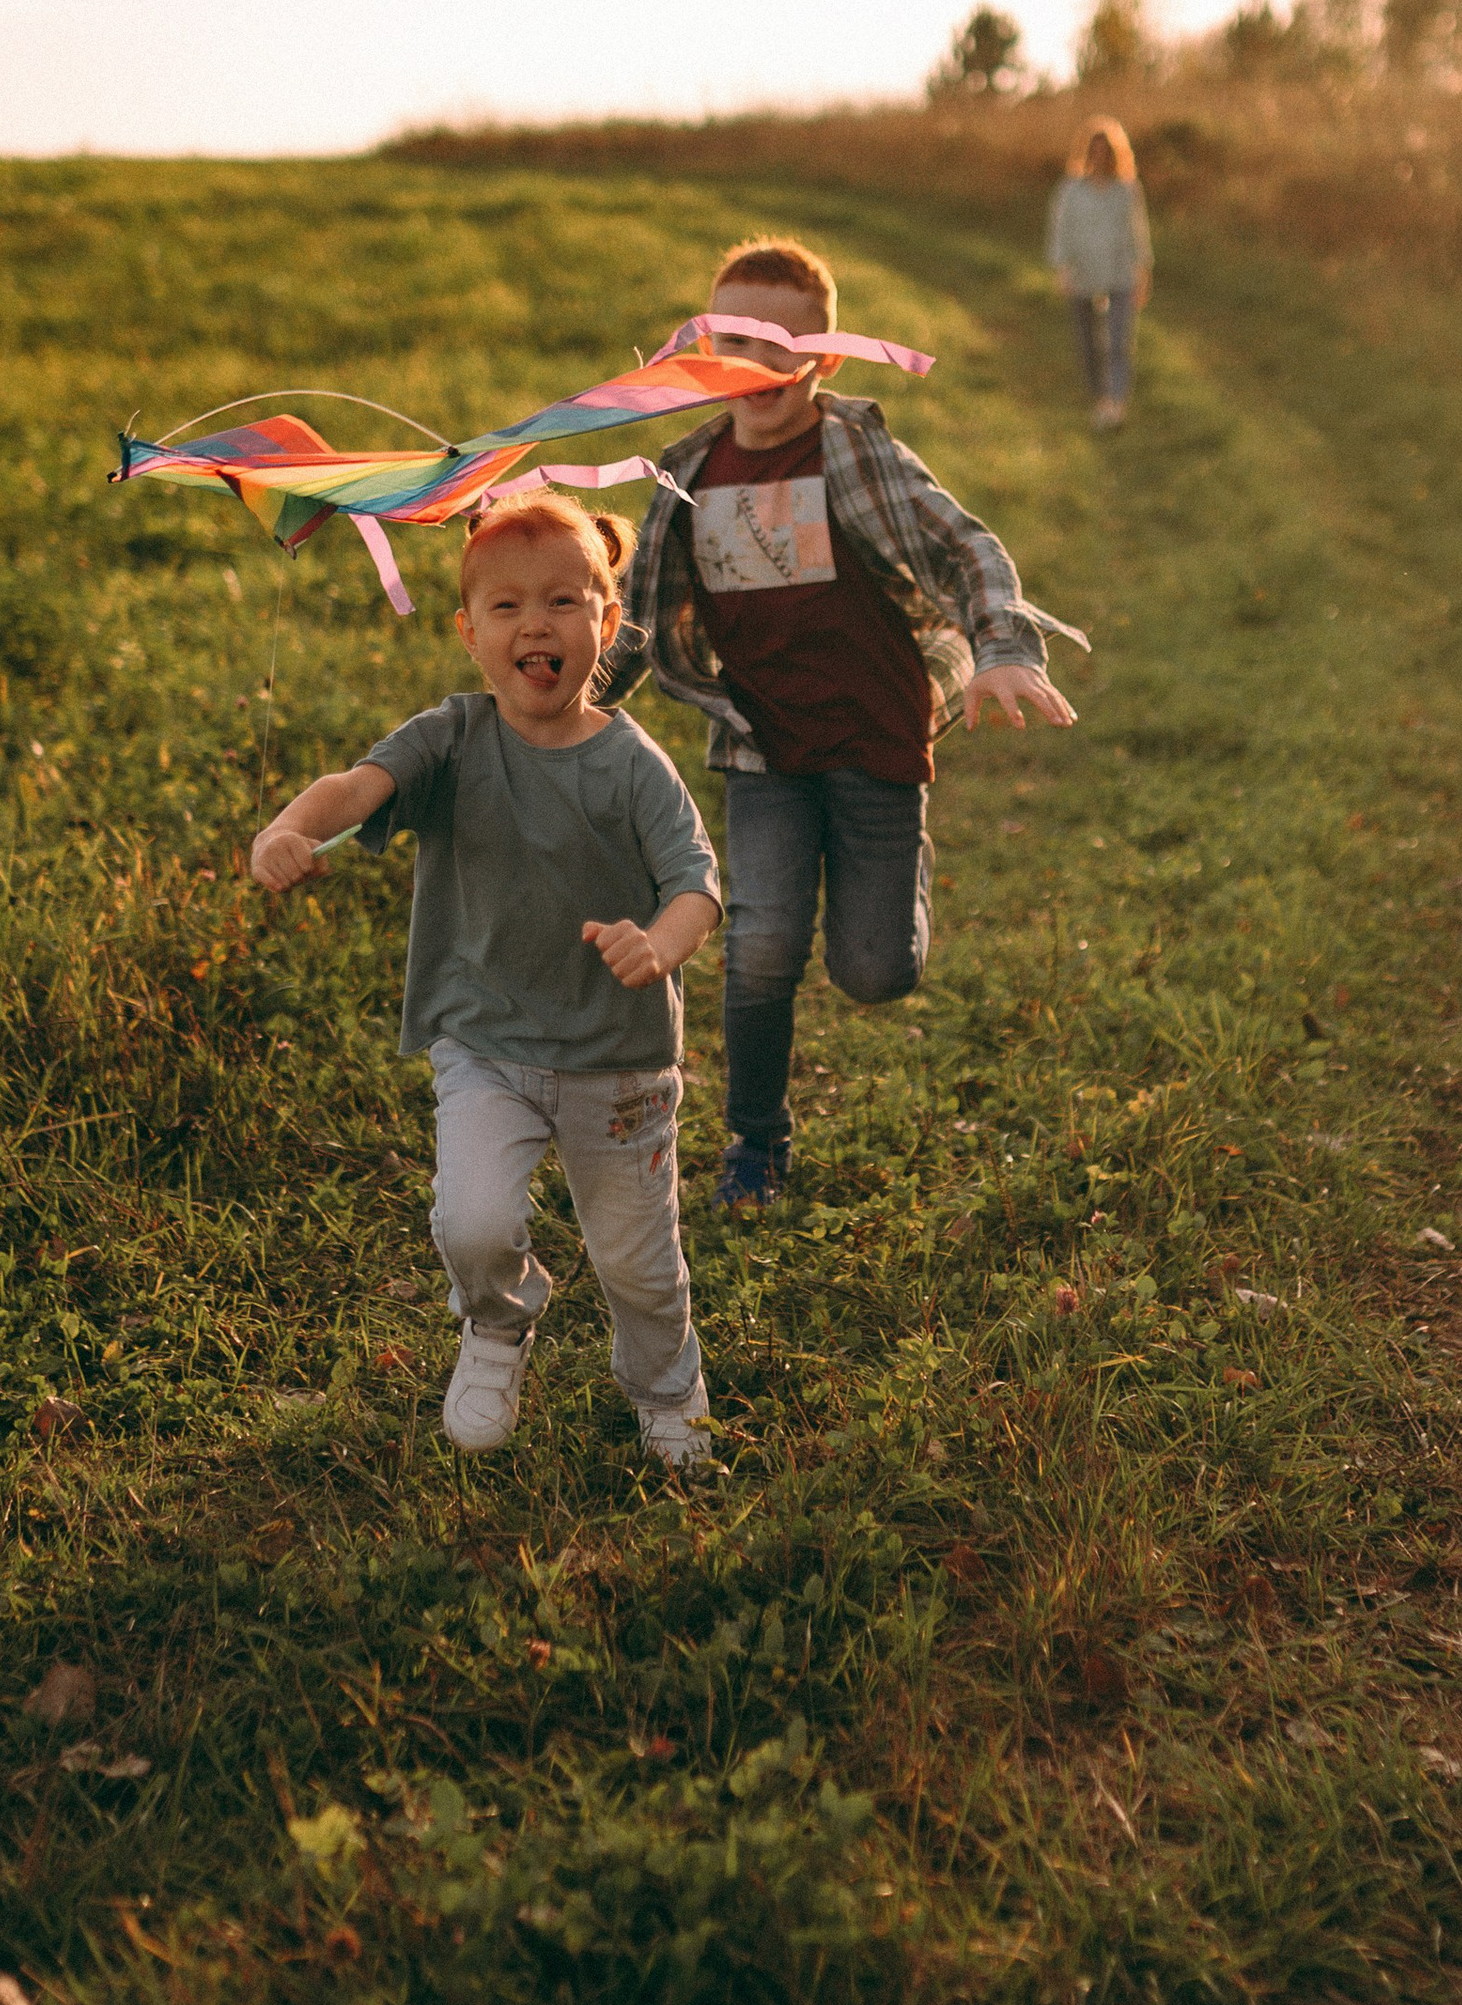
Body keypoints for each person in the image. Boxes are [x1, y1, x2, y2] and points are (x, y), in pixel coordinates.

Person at [605, 236, 1081, 1212]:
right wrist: (554, 690)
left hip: (876, 742)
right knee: (762, 943)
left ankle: (896, 884)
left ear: (821, 356)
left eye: (784, 342)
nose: (760, 363)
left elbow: (966, 548)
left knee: (871, 971)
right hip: (763, 749)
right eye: (736, 338)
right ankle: (753, 1146)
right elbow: (637, 618)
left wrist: (1002, 647)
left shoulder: (853, 448)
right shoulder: (687, 471)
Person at [248, 491, 723, 1465]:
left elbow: (696, 885)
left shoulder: (633, 765)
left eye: (563, 599)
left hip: (618, 1059)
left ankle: (668, 1388)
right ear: (470, 633)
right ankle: (498, 1324)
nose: (534, 623)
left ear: (608, 620)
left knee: (638, 1264)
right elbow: (356, 787)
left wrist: (661, 943)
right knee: (470, 1220)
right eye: (505, 607)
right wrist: (290, 824)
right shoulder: (451, 738)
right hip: (486, 1041)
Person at [1044, 118, 1153, 429]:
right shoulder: (1070, 191)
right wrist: (1062, 268)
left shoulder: (1128, 191)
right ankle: (1099, 397)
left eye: (1107, 152)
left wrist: (1143, 272)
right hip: (1082, 275)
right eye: (1095, 151)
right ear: (1087, 153)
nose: (1100, 158)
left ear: (1116, 155)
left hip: (1120, 274)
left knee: (1118, 342)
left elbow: (1138, 235)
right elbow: (1061, 231)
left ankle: (1115, 404)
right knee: (1088, 343)